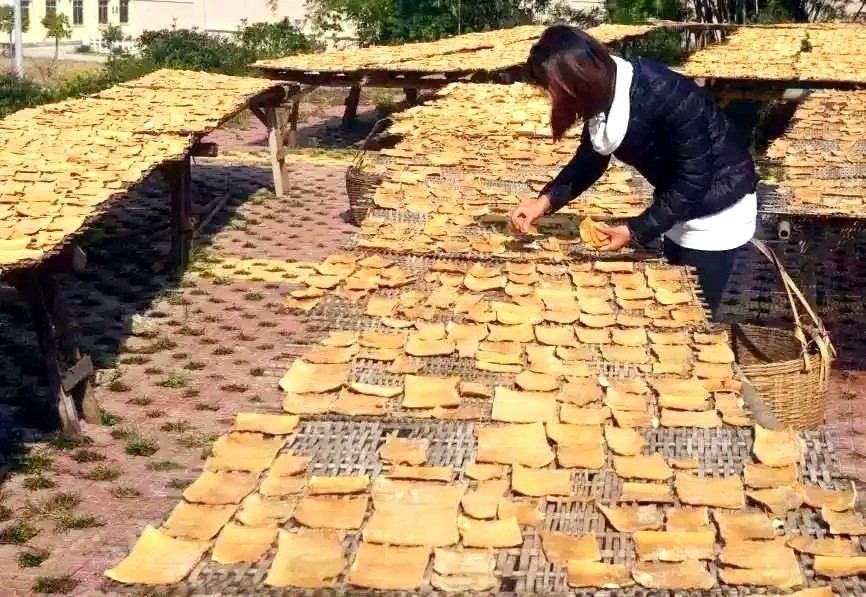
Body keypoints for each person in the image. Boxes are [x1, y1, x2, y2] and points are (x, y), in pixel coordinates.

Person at [510, 25, 758, 317]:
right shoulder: (603, 94)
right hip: (677, 204)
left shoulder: (665, 93)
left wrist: (634, 230)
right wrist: (544, 202)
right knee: (674, 299)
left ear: (577, 80)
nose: (552, 99)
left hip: (717, 210)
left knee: (691, 314)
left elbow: (695, 178)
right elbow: (591, 158)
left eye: (552, 91)